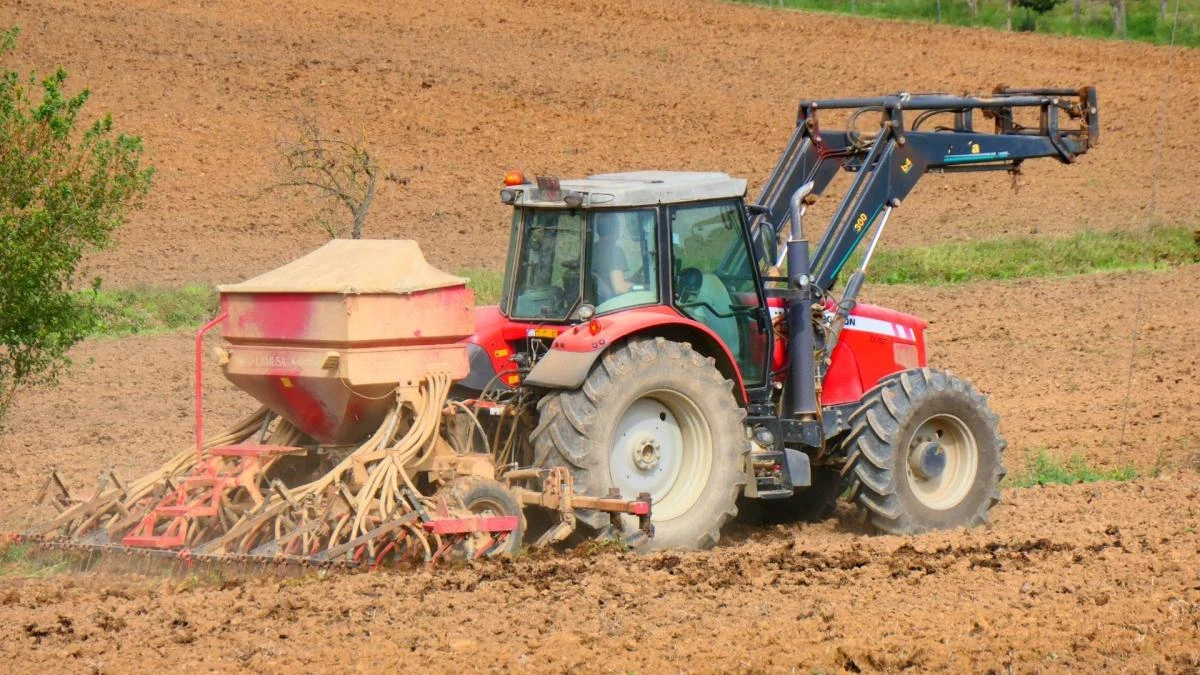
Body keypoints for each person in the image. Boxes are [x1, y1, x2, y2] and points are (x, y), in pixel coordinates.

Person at [590, 214, 633, 303]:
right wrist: (641, 286)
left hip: (593, 303)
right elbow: (619, 288)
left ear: (598, 229)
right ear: (616, 230)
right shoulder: (615, 251)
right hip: (608, 305)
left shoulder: (590, 249)